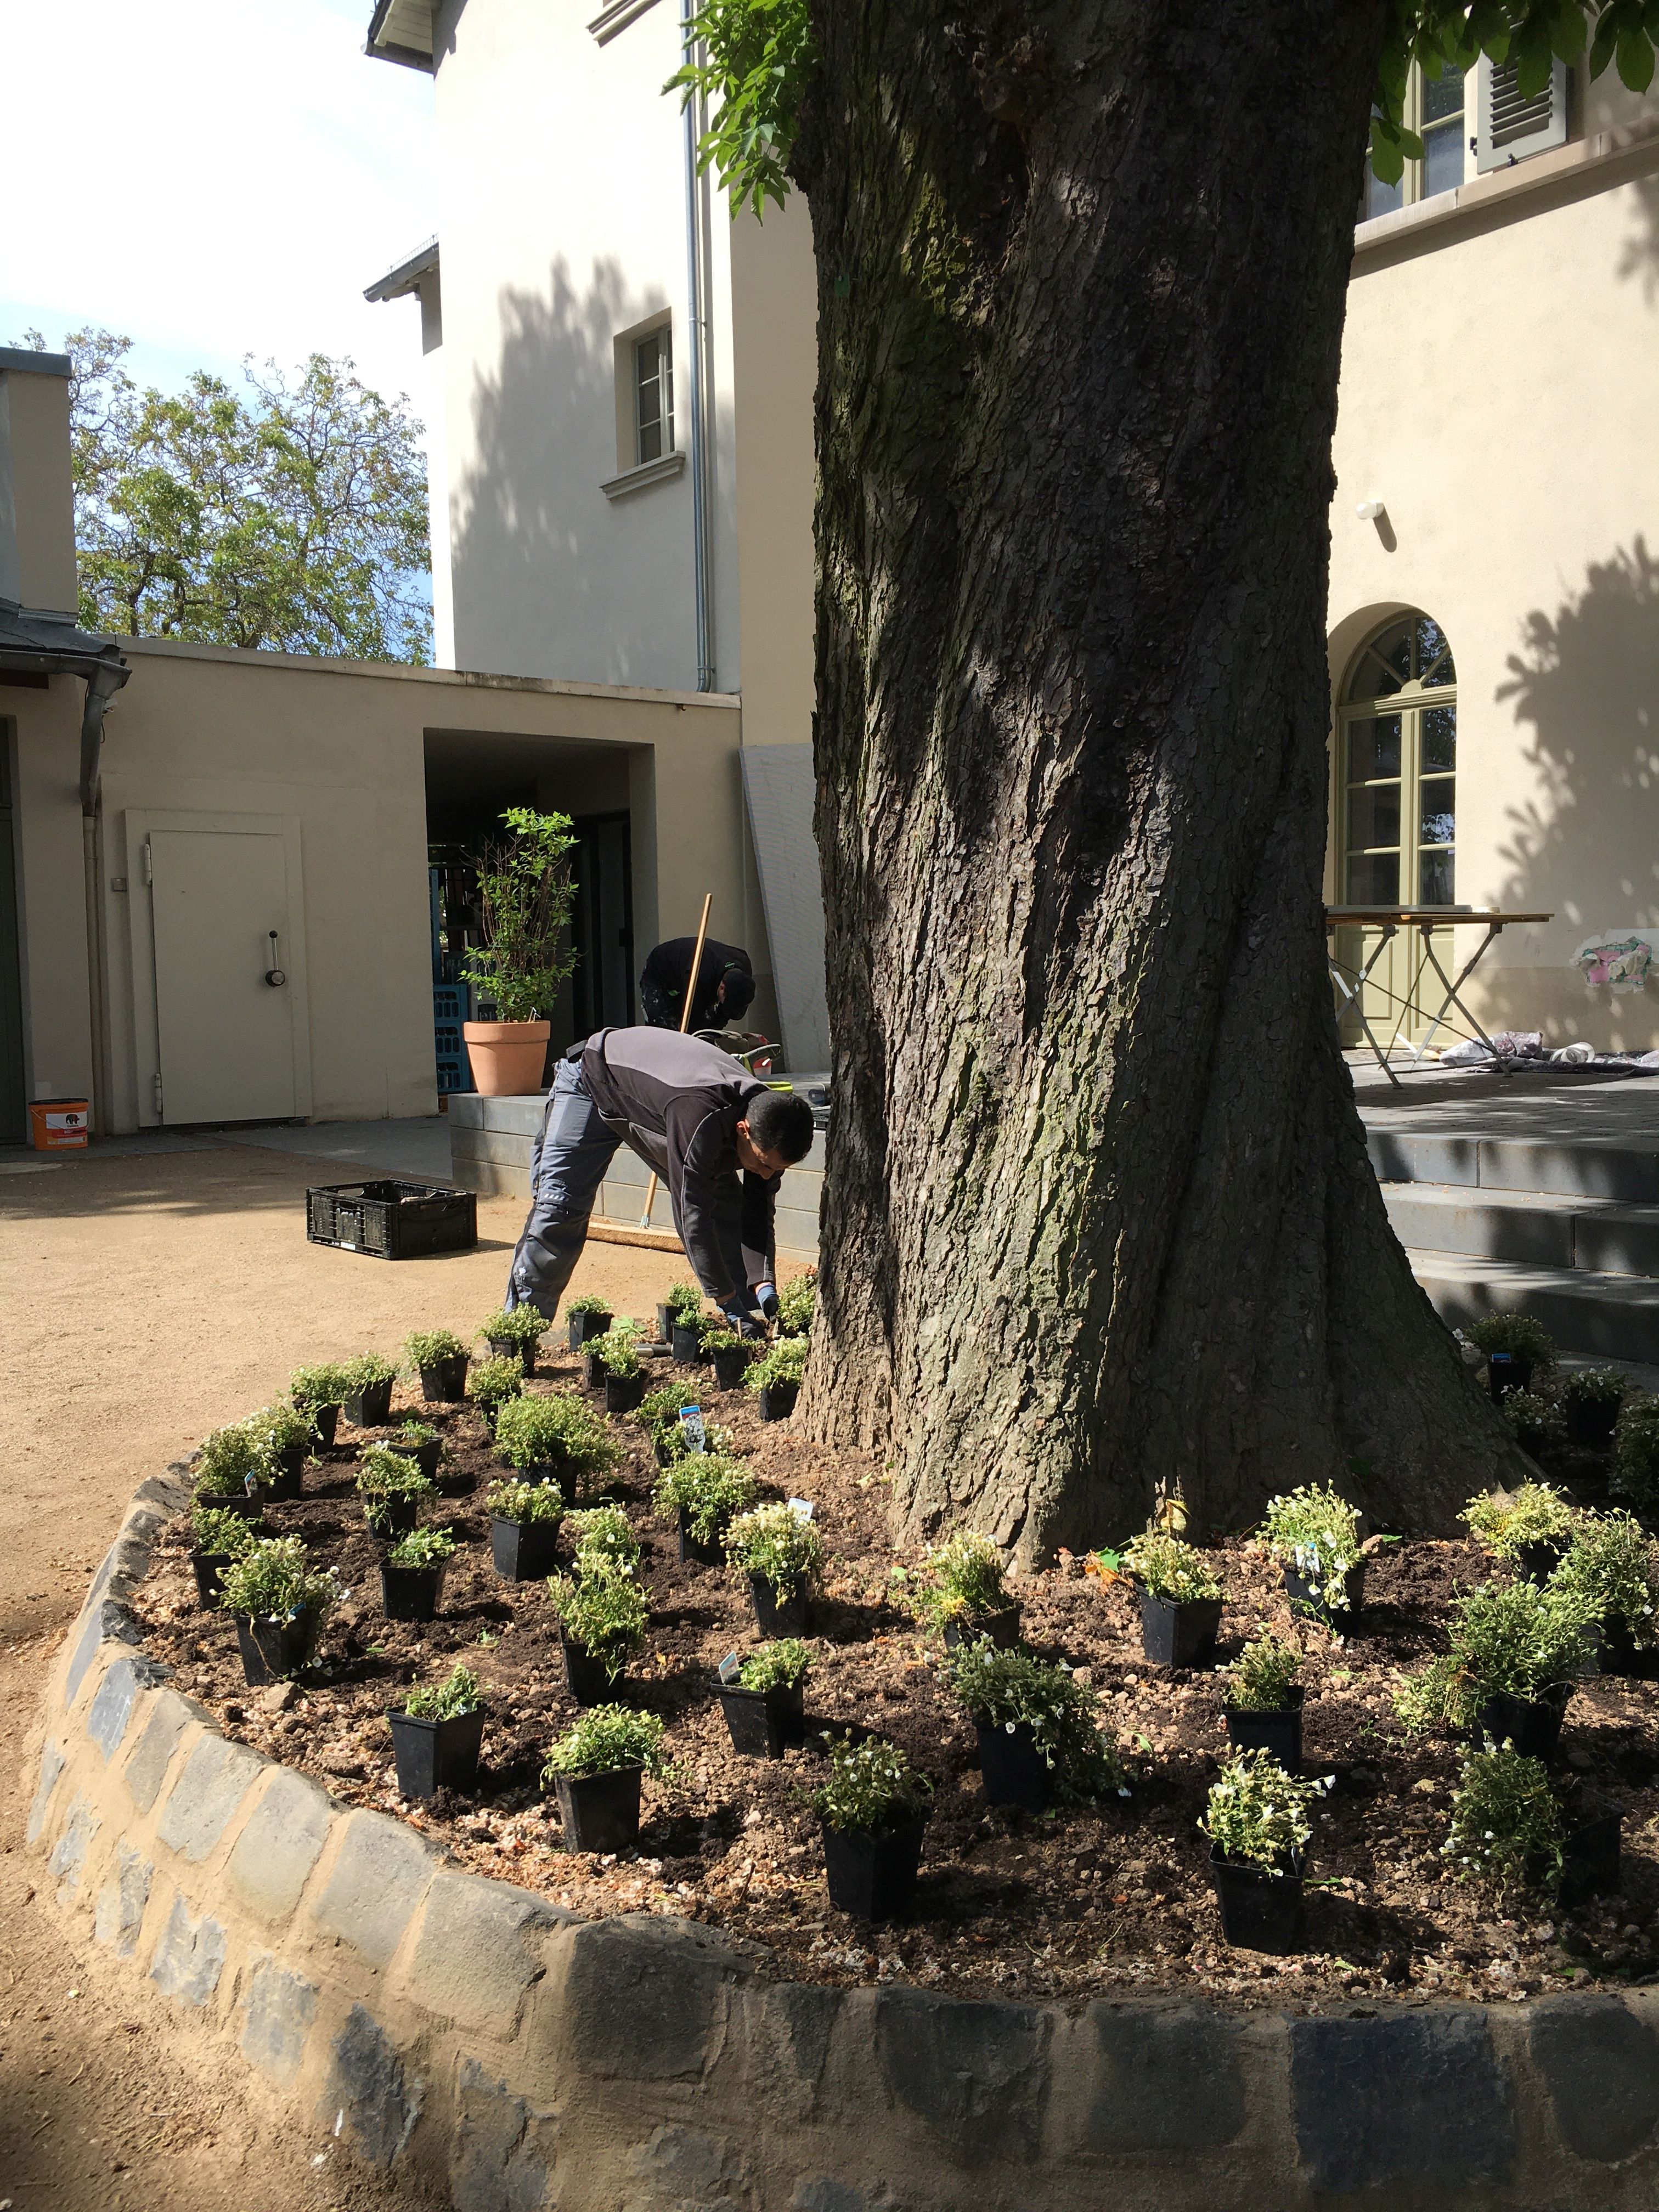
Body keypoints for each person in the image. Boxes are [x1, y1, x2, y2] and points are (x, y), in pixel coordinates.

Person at [506, 1024, 815, 1331]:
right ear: (742, 1130)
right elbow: (691, 1214)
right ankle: (519, 1330)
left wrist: (763, 1284)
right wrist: (725, 1300)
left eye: (778, 1169)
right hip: (592, 1079)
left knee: (727, 1206)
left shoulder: (769, 1119)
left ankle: (751, 1316)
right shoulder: (699, 1115)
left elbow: (757, 1212)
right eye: (764, 1164)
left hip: (653, 1104)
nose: (768, 1174)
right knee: (560, 1208)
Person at [639, 934, 756, 1033]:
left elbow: (724, 1013)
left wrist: (715, 1029)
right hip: (659, 974)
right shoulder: (698, 979)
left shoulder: (744, 966)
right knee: (665, 1030)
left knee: (706, 1026)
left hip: (694, 973)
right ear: (722, 988)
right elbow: (692, 1023)